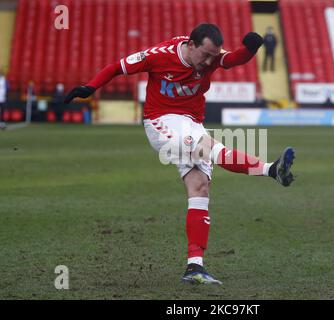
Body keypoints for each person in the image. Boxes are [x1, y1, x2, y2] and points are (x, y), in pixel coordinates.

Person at [65, 23, 295, 285]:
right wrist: (90, 87)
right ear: (191, 45)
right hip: (160, 121)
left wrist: (251, 48)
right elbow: (117, 67)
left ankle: (194, 267)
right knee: (207, 148)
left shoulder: (210, 55)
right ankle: (270, 170)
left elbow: (232, 59)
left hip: (191, 123)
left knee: (200, 188)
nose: (209, 61)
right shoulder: (159, 56)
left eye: (213, 56)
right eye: (205, 55)